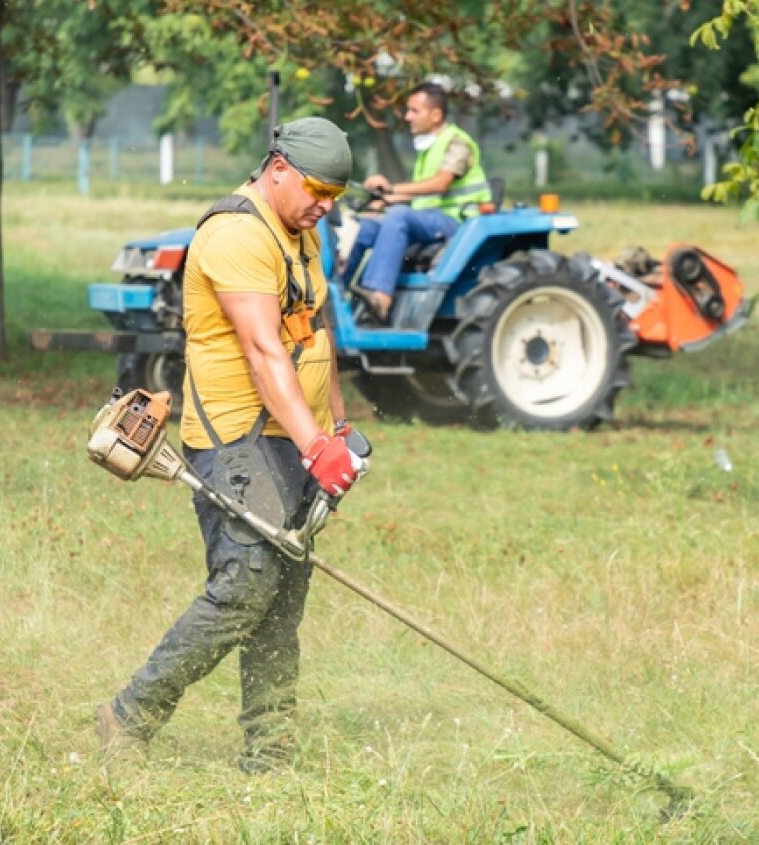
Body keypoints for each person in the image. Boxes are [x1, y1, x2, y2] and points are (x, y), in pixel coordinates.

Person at [96, 117, 366, 774]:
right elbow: (261, 349)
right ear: (277, 167)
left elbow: (314, 331)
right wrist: (315, 446)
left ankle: (269, 756)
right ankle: (129, 712)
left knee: (284, 589)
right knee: (247, 582)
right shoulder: (236, 233)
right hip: (234, 439)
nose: (326, 205)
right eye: (317, 189)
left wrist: (336, 427)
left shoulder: (302, 229)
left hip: (292, 435)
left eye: (336, 194)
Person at [346, 81, 491, 323]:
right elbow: (420, 195)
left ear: (435, 115)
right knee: (368, 227)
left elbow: (440, 184)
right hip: (429, 220)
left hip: (457, 222)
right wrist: (383, 199)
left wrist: (391, 190)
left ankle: (379, 297)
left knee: (398, 216)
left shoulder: (456, 142)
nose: (407, 116)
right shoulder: (429, 148)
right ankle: (332, 296)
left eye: (414, 111)